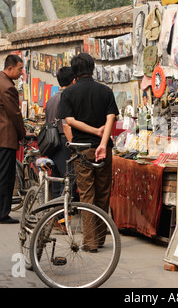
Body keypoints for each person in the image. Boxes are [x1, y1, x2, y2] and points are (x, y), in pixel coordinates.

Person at [59, 53, 119, 252]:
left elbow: (70, 121)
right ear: (93, 69)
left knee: (86, 195)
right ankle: (100, 238)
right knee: (103, 193)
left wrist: (92, 133)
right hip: (105, 149)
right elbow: (111, 117)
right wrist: (102, 141)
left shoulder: (68, 93)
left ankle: (91, 242)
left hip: (82, 150)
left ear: (74, 73)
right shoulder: (105, 91)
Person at [0, 54, 26, 224]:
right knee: (4, 176)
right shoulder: (8, 87)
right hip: (4, 137)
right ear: (10, 68)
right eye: (20, 69)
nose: (21, 72)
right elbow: (15, 115)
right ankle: (0, 215)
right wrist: (23, 134)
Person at [44, 67, 75, 199]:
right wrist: (73, 145)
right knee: (68, 179)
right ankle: (63, 214)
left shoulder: (51, 100)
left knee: (56, 179)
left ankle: (56, 215)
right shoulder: (67, 98)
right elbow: (66, 124)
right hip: (64, 140)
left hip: (51, 142)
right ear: (73, 80)